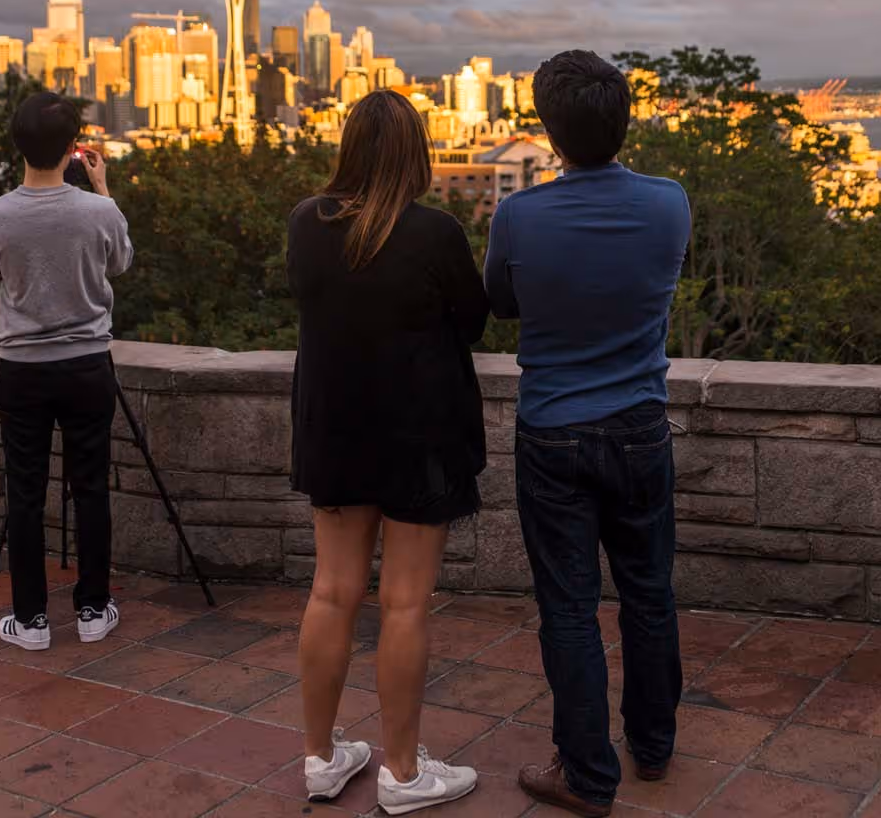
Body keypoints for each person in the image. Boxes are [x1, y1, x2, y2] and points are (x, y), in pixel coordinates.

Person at [485, 50, 692, 817]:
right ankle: (654, 745)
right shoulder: (670, 203)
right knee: (649, 593)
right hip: (640, 426)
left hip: (553, 432)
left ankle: (586, 774)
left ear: (551, 130)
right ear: (623, 120)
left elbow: (500, 303)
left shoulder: (519, 215)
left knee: (569, 607)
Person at [287, 89, 485, 812]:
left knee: (331, 590)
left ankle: (319, 758)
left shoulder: (306, 222)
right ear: (415, 154)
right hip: (419, 435)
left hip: (334, 427)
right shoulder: (434, 232)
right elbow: (474, 321)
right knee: (404, 603)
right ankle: (402, 773)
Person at [0, 91, 133, 652]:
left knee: (25, 493)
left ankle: (31, 620)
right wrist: (102, 189)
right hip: (87, 365)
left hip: (22, 369)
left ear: (17, 145)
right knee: (90, 488)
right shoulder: (99, 211)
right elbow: (120, 262)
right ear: (72, 149)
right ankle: (92, 609)